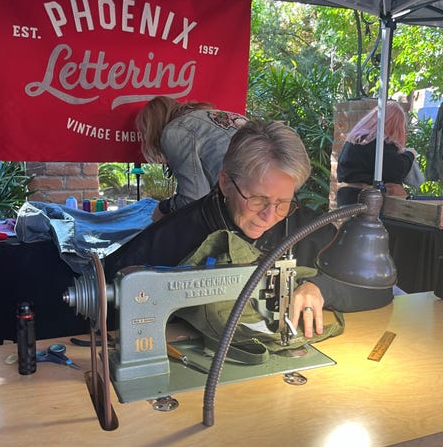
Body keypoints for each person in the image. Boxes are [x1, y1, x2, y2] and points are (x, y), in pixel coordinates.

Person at [105, 119, 345, 339]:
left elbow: (373, 288)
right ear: (226, 184)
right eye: (258, 199)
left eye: (283, 203)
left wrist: (319, 287)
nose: (270, 215)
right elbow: (107, 303)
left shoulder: (307, 227)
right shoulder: (173, 236)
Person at [136, 95, 247, 221]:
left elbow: (194, 199)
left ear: (152, 128)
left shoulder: (176, 131)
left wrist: (163, 208)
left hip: (245, 205)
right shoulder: (218, 116)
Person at [336, 101, 416, 207]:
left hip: (347, 197)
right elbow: (396, 171)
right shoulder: (379, 142)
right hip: (364, 199)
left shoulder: (356, 138)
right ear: (395, 124)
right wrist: (410, 155)